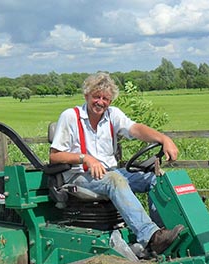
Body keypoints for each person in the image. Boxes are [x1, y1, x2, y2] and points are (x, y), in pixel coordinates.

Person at [49, 72, 183, 254]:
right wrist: (85, 158)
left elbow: (135, 129)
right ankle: (151, 236)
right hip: (78, 175)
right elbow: (55, 156)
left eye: (105, 98)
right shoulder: (70, 117)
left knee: (154, 179)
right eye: (96, 97)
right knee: (115, 180)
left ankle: (161, 233)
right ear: (86, 96)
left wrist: (164, 138)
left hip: (108, 172)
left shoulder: (112, 115)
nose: (100, 102)